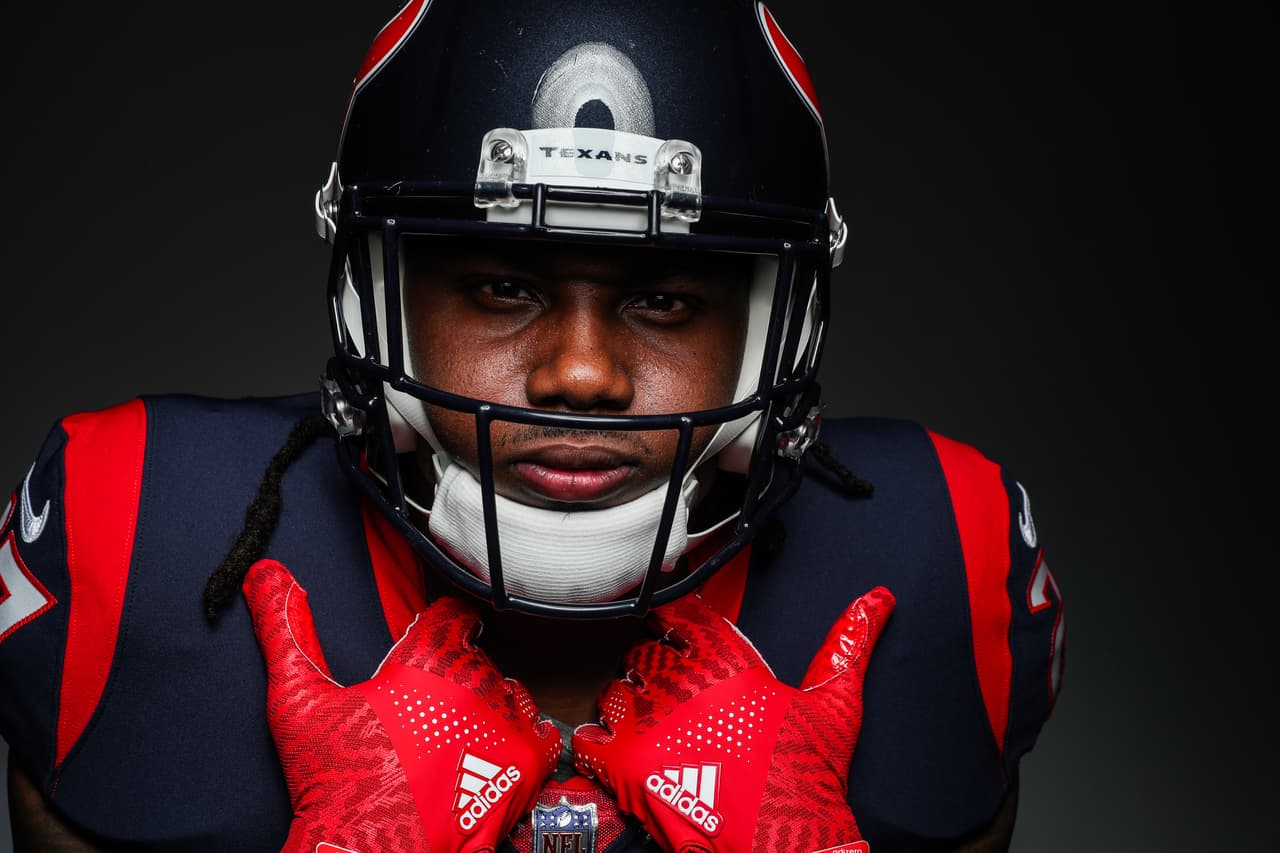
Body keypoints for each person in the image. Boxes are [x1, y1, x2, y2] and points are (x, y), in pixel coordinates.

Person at [1, 0, 1065, 850]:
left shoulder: (940, 555)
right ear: (377, 294)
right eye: (502, 285)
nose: (581, 372)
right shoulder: (140, 531)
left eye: (664, 300)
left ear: (769, 331)